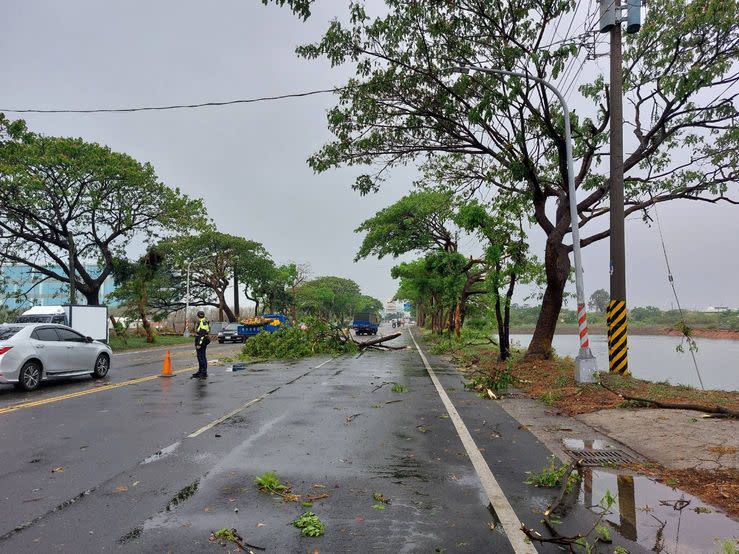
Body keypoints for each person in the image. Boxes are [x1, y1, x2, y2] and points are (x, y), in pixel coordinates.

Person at [191, 310, 211, 379]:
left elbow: (202, 334)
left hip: (201, 341)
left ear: (198, 316)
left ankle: (203, 372)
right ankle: (200, 371)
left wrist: (199, 344)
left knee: (201, 357)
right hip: (202, 340)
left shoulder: (202, 322)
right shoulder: (204, 321)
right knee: (201, 357)